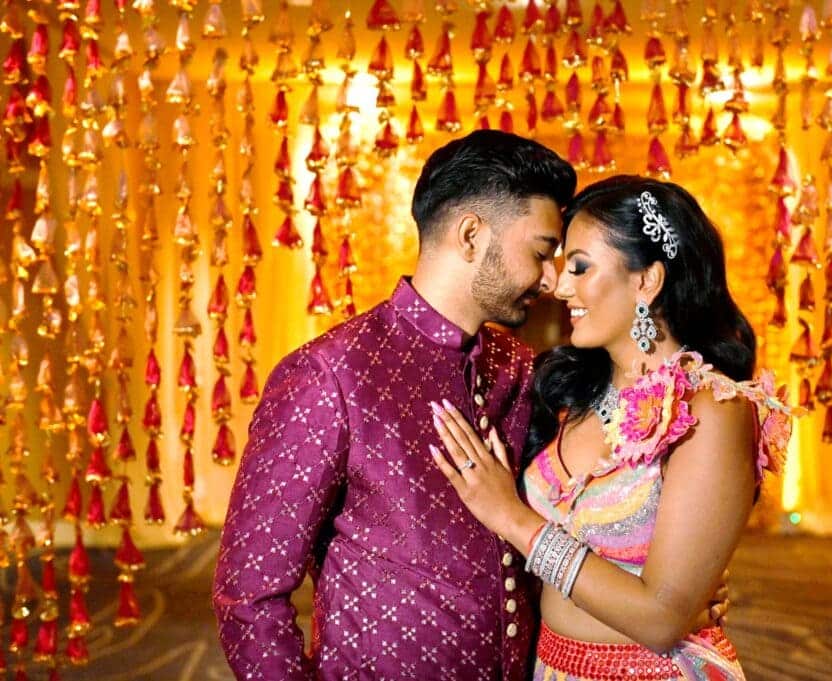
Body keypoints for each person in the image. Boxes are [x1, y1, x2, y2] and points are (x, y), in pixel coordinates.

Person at [212, 130, 576, 680]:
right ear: (472, 235)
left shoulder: (516, 367)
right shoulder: (331, 374)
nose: (551, 279)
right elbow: (250, 595)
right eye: (542, 251)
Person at [430, 175, 798, 681]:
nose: (559, 286)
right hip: (551, 666)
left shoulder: (711, 411)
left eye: (579, 267)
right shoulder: (572, 393)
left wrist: (510, 516)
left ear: (647, 280)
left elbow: (662, 618)